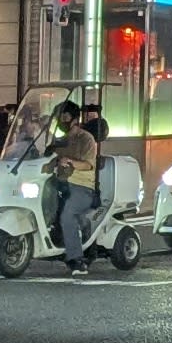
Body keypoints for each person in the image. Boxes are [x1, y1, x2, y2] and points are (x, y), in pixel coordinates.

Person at [48, 105, 105, 271]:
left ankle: (75, 258)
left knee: (67, 215)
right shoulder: (60, 140)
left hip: (82, 186)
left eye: (65, 117)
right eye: (60, 118)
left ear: (75, 119)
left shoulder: (86, 139)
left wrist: (70, 161)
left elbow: (88, 165)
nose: (62, 121)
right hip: (60, 183)